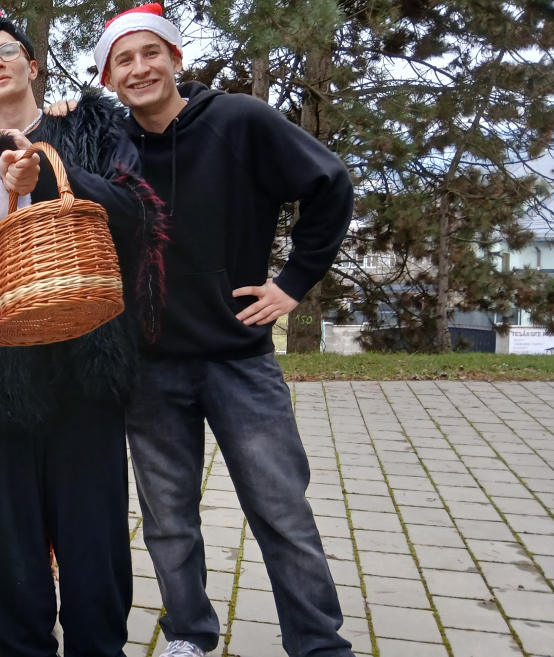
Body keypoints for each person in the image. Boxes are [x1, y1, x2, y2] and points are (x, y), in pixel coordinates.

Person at [48, 4, 356, 656]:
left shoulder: (239, 121)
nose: (139, 68)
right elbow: (56, 169)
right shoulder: (112, 144)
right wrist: (56, 114)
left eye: (150, 53)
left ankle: (318, 642)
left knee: (282, 512)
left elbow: (330, 184)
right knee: (167, 522)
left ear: (175, 58)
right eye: (122, 60)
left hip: (239, 359)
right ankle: (189, 633)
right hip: (150, 366)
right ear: (108, 74)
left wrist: (293, 282)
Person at [0, 5, 168, 656]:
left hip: (83, 369)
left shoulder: (91, 126)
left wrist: (55, 173)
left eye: (7, 51)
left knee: (93, 545)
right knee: (6, 552)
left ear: (32, 66)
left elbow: (136, 212)